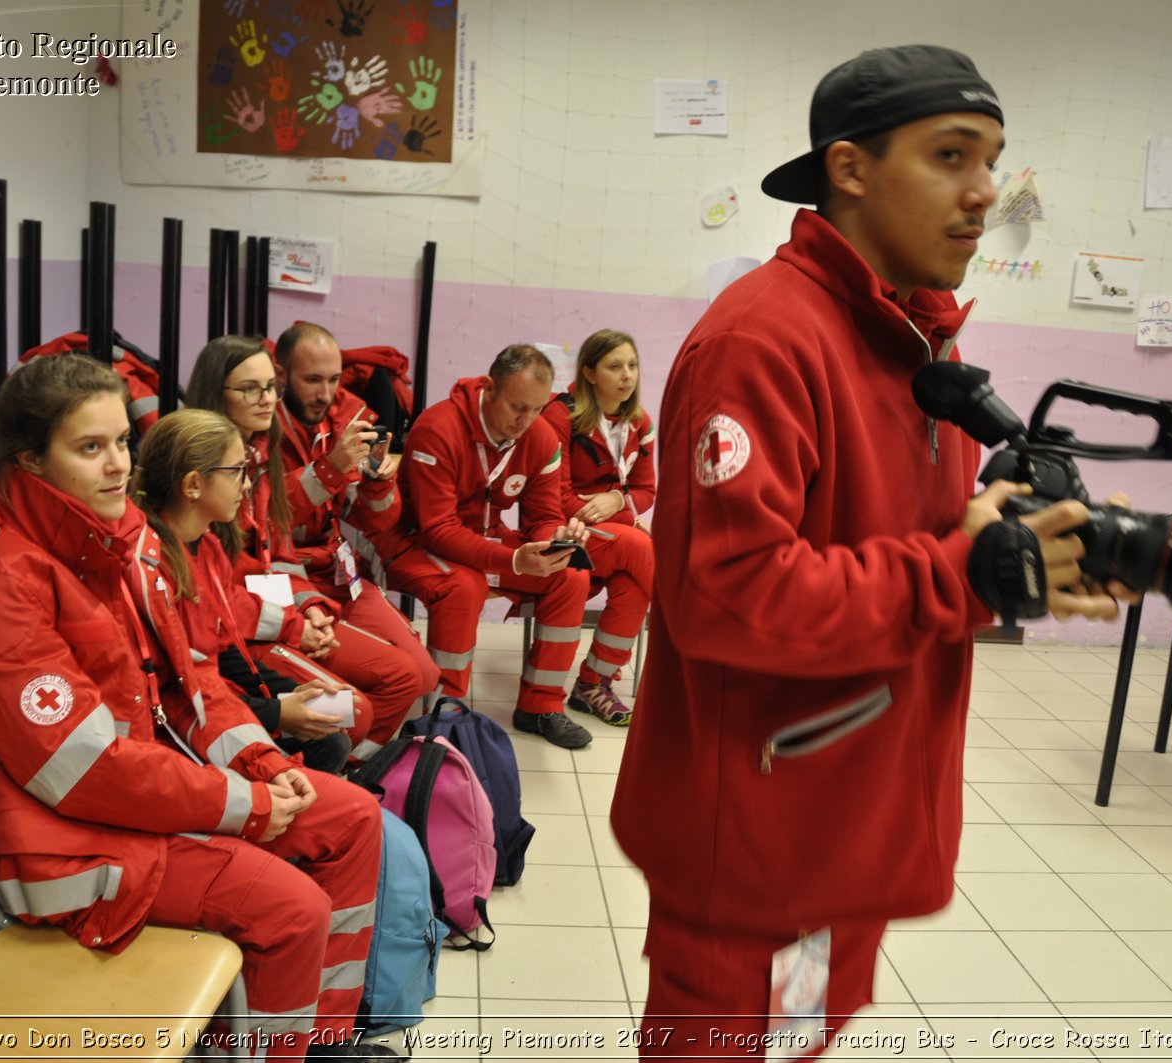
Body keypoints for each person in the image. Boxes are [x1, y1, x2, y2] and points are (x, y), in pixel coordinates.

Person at [608, 45, 1127, 1058]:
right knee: (729, 1044)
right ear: (848, 169)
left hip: (848, 809)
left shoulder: (916, 339)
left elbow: (908, 547)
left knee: (798, 1036)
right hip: (762, 827)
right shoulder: (762, 340)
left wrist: (1022, 549)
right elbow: (726, 593)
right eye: (950, 155)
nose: (986, 193)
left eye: (993, 160)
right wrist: (956, 572)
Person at [0, 354, 392, 1061]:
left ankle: (320, 1037)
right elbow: (82, 770)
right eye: (89, 447)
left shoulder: (119, 539)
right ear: (29, 461)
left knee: (353, 818)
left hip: (138, 798)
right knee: (293, 908)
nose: (116, 466)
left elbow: (191, 683)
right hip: (59, 840)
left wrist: (261, 764)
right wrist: (244, 804)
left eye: (121, 443)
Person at [188, 334, 436, 759]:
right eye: (252, 388)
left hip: (308, 588)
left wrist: (379, 478)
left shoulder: (269, 443)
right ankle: (335, 773)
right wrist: (293, 622)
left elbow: (273, 554)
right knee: (353, 710)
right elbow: (233, 580)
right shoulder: (211, 465)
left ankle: (347, 771)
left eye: (269, 388)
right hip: (240, 632)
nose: (266, 399)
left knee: (419, 676)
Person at [381, 344, 596, 749]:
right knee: (463, 587)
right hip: (412, 542)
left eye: (536, 409)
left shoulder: (540, 436)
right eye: (518, 406)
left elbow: (543, 515)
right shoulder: (438, 428)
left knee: (570, 576)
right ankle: (445, 715)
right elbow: (438, 530)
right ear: (490, 388)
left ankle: (540, 706)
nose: (526, 420)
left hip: (484, 540)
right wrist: (515, 558)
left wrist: (555, 540)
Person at [133, 407, 357, 774]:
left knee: (335, 730)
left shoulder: (207, 547)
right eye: (237, 472)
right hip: (182, 733)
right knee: (333, 747)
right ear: (193, 485)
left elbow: (223, 647)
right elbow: (178, 691)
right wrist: (276, 712)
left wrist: (284, 697)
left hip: (213, 703)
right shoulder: (155, 569)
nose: (248, 485)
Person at [537, 328, 657, 724]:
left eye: (633, 366)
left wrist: (617, 500)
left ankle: (594, 683)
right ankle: (686, 638)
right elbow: (558, 499)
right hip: (565, 532)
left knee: (633, 583)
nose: (627, 376)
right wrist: (622, 511)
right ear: (589, 373)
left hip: (610, 532)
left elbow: (646, 490)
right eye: (615, 366)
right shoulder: (560, 415)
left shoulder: (640, 421)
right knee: (644, 550)